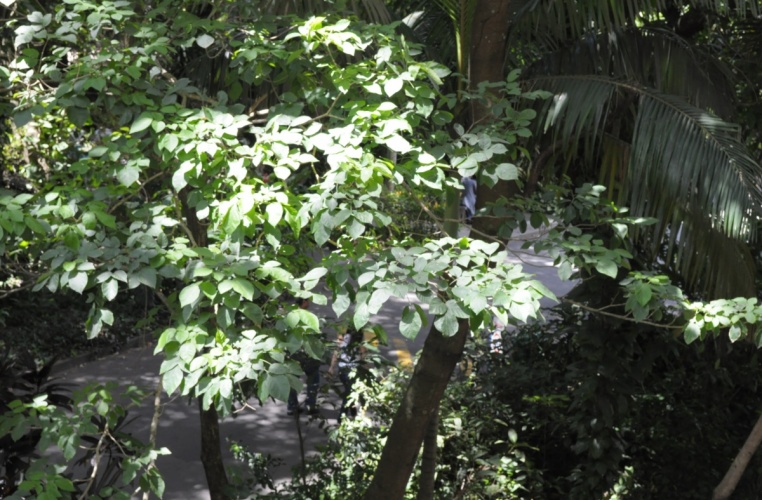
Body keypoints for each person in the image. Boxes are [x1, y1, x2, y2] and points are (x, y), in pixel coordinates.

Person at [287, 298, 321, 416]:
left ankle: (292, 406)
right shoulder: (308, 317)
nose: (310, 303)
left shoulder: (289, 317)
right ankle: (310, 405)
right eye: (308, 301)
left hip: (293, 354)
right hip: (307, 355)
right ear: (304, 302)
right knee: (313, 380)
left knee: (292, 381)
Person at [328, 324, 367, 421]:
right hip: (353, 372)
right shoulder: (360, 345)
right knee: (349, 394)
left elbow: (336, 354)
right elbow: (363, 358)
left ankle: (353, 413)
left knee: (350, 391)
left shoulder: (342, 341)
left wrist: (332, 368)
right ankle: (341, 418)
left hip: (343, 371)